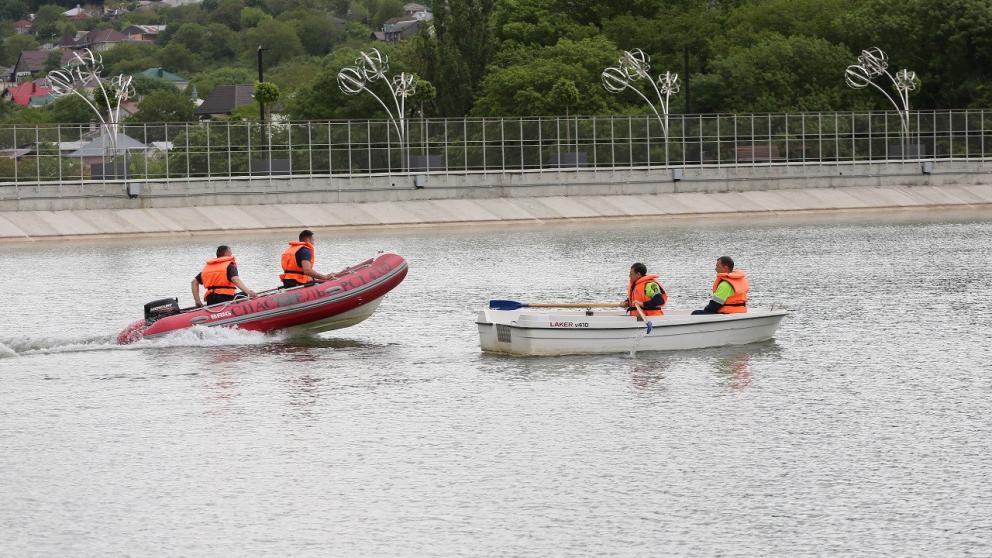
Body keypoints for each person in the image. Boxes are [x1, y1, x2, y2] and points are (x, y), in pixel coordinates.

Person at [191, 245, 257, 307]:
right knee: (245, 295)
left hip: (210, 300)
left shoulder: (208, 268)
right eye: (230, 252)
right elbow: (235, 279)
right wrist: (248, 292)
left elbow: (194, 282)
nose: (231, 254)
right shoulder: (229, 265)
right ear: (226, 253)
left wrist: (197, 300)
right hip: (226, 298)